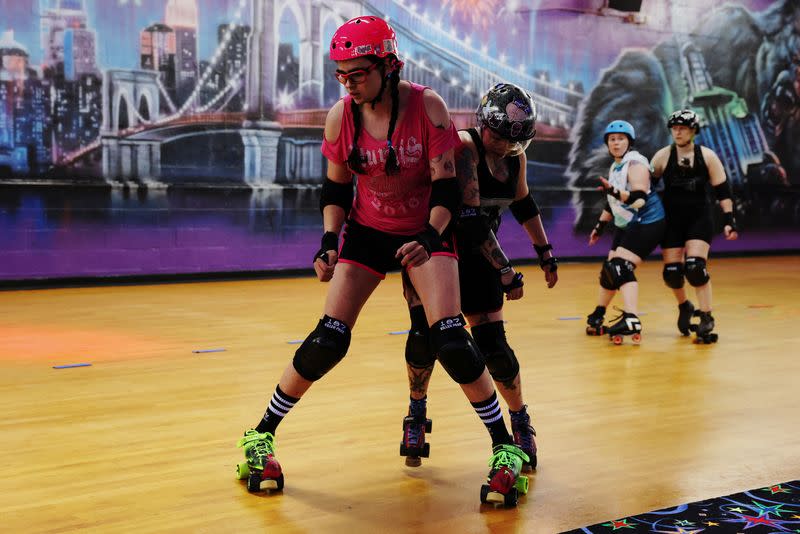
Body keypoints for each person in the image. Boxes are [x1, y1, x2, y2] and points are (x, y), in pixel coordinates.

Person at [235, 16, 528, 506]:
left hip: (427, 228)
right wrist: (329, 240)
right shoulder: (340, 116)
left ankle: (505, 451)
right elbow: (335, 187)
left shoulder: (427, 107)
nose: (348, 83)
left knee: (451, 340)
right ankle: (259, 435)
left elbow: (447, 188)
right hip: (368, 230)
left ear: (388, 66)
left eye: (357, 72)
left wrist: (430, 236)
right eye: (341, 74)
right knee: (329, 337)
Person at [398, 83, 558, 474]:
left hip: (480, 260)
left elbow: (523, 204)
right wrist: (505, 268)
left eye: (514, 140)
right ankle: (416, 414)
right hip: (437, 254)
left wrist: (545, 252)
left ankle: (520, 420)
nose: (505, 146)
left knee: (495, 348)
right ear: (483, 123)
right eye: (500, 136)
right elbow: (468, 222)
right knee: (425, 339)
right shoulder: (464, 148)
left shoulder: (515, 160)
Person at [650, 109, 738, 343]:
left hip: (699, 217)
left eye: (682, 128)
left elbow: (722, 190)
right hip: (672, 220)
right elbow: (645, 188)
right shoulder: (662, 156)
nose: (677, 132)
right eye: (674, 128)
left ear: (693, 131)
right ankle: (684, 306)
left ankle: (707, 316)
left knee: (695, 268)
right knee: (672, 274)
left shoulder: (707, 156)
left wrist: (729, 220)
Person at [585, 120, 666, 344]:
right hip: (628, 224)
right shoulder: (616, 167)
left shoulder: (635, 164)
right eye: (612, 139)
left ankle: (632, 319)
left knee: (620, 267)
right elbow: (613, 202)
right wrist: (600, 227)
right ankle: (599, 313)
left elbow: (639, 200)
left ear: (629, 142)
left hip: (648, 222)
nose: (616, 142)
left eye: (621, 139)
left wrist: (613, 190)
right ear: (607, 144)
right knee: (609, 271)